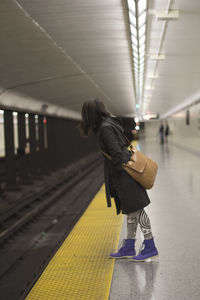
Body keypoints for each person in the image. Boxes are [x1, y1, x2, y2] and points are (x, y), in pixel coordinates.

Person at [80, 99, 158, 262]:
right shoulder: (110, 123)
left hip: (124, 174)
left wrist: (116, 174)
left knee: (137, 209)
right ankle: (129, 246)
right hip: (127, 171)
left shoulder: (104, 128)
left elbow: (116, 153)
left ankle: (150, 245)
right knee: (131, 209)